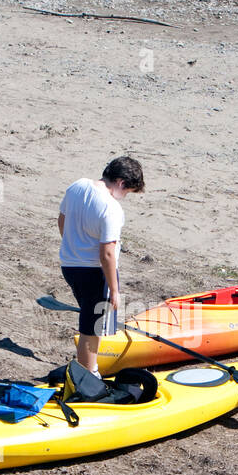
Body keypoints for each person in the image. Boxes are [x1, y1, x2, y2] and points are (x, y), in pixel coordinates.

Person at [58, 156, 145, 375]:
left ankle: (88, 366)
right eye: (127, 192)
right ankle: (89, 374)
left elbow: (62, 219)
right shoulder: (111, 208)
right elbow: (107, 253)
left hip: (69, 265)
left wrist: (72, 246)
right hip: (95, 272)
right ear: (121, 183)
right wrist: (114, 289)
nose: (124, 197)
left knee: (90, 315)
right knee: (92, 325)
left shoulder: (77, 186)